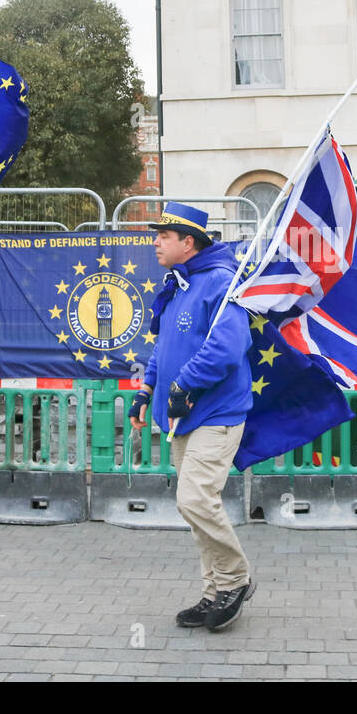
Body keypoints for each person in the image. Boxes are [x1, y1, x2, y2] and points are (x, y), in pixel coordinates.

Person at [129, 202, 255, 631]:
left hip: (216, 413)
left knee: (194, 500)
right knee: (196, 507)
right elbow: (163, 351)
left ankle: (236, 581)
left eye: (164, 236)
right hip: (182, 415)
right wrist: (147, 390)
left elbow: (227, 347)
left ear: (188, 242)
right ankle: (212, 593)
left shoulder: (221, 282)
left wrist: (185, 385)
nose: (156, 242)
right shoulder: (181, 284)